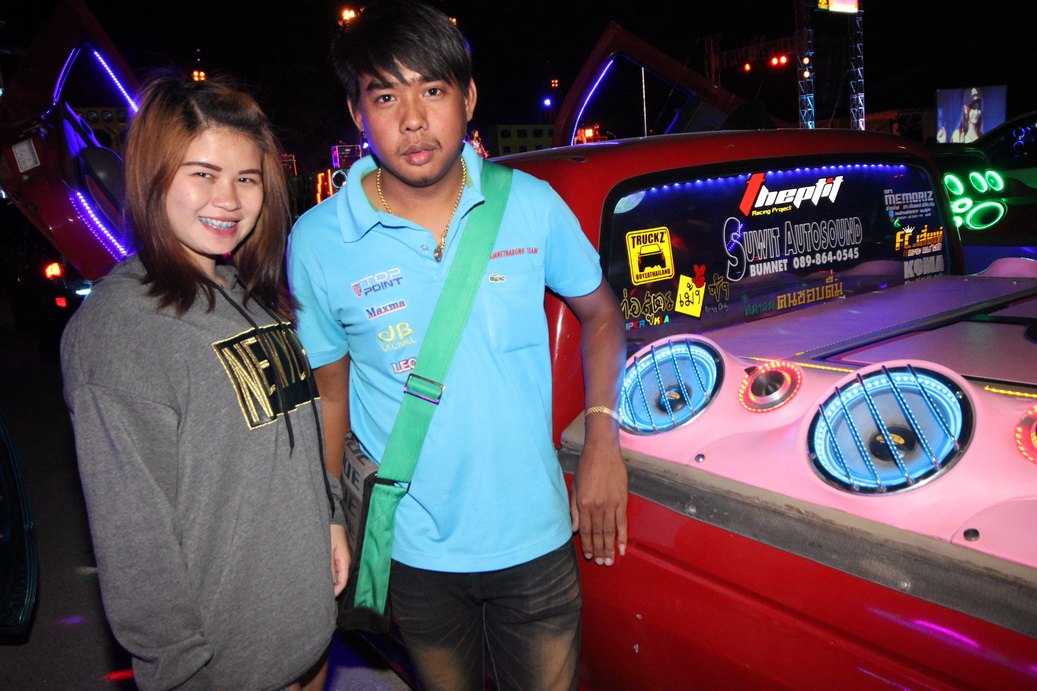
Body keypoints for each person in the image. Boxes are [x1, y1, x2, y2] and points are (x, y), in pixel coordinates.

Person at [287, 2, 628, 689]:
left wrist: (601, 438)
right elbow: (330, 395)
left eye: (433, 90)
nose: (413, 120)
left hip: (536, 537)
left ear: (468, 99)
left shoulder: (529, 203)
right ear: (357, 112)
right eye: (386, 96)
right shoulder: (319, 241)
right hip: (412, 553)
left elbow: (601, 315)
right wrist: (327, 515)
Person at [61, 74, 348, 690]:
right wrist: (182, 675)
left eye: (246, 179)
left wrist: (328, 516)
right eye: (203, 174)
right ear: (153, 177)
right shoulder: (121, 329)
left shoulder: (242, 290)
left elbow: (293, 439)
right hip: (228, 663)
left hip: (304, 631)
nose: (230, 200)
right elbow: (135, 542)